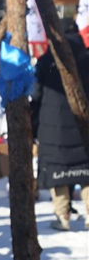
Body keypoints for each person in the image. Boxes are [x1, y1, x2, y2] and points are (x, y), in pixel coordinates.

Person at [30, 17, 89, 231]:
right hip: (84, 122)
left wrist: (33, 122)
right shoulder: (87, 58)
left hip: (52, 125)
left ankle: (63, 215)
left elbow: (36, 94)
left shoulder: (47, 60)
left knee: (57, 168)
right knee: (86, 169)